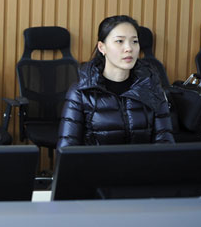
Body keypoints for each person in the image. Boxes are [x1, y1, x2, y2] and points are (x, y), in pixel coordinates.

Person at [57, 15, 174, 148]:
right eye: (119, 41)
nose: (129, 48)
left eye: (134, 41)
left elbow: (165, 144)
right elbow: (67, 148)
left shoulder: (152, 86)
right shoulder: (81, 91)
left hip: (142, 161)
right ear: (102, 47)